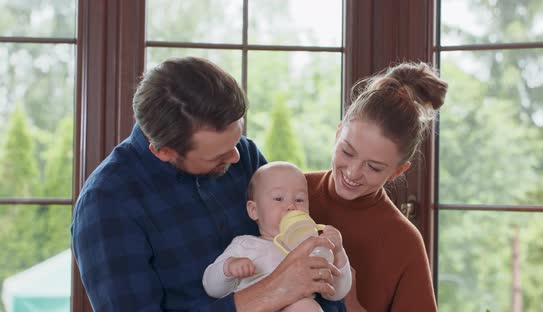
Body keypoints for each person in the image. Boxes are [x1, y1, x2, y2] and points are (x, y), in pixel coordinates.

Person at [71, 57, 344, 311]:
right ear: (163, 151)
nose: (237, 156)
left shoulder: (244, 156)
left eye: (237, 141)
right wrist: (271, 291)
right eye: (218, 155)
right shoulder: (107, 204)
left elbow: (305, 263)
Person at [305, 62, 448, 312]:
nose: (352, 173)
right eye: (347, 152)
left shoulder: (404, 242)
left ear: (397, 171)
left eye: (374, 167)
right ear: (338, 133)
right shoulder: (287, 193)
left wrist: (350, 303)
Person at [202, 161, 352, 311]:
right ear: (254, 210)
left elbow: (335, 293)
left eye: (299, 199)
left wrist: (338, 252)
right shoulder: (245, 245)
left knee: (307, 306)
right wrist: (228, 268)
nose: (291, 206)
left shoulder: (311, 247)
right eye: (279, 198)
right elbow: (211, 288)